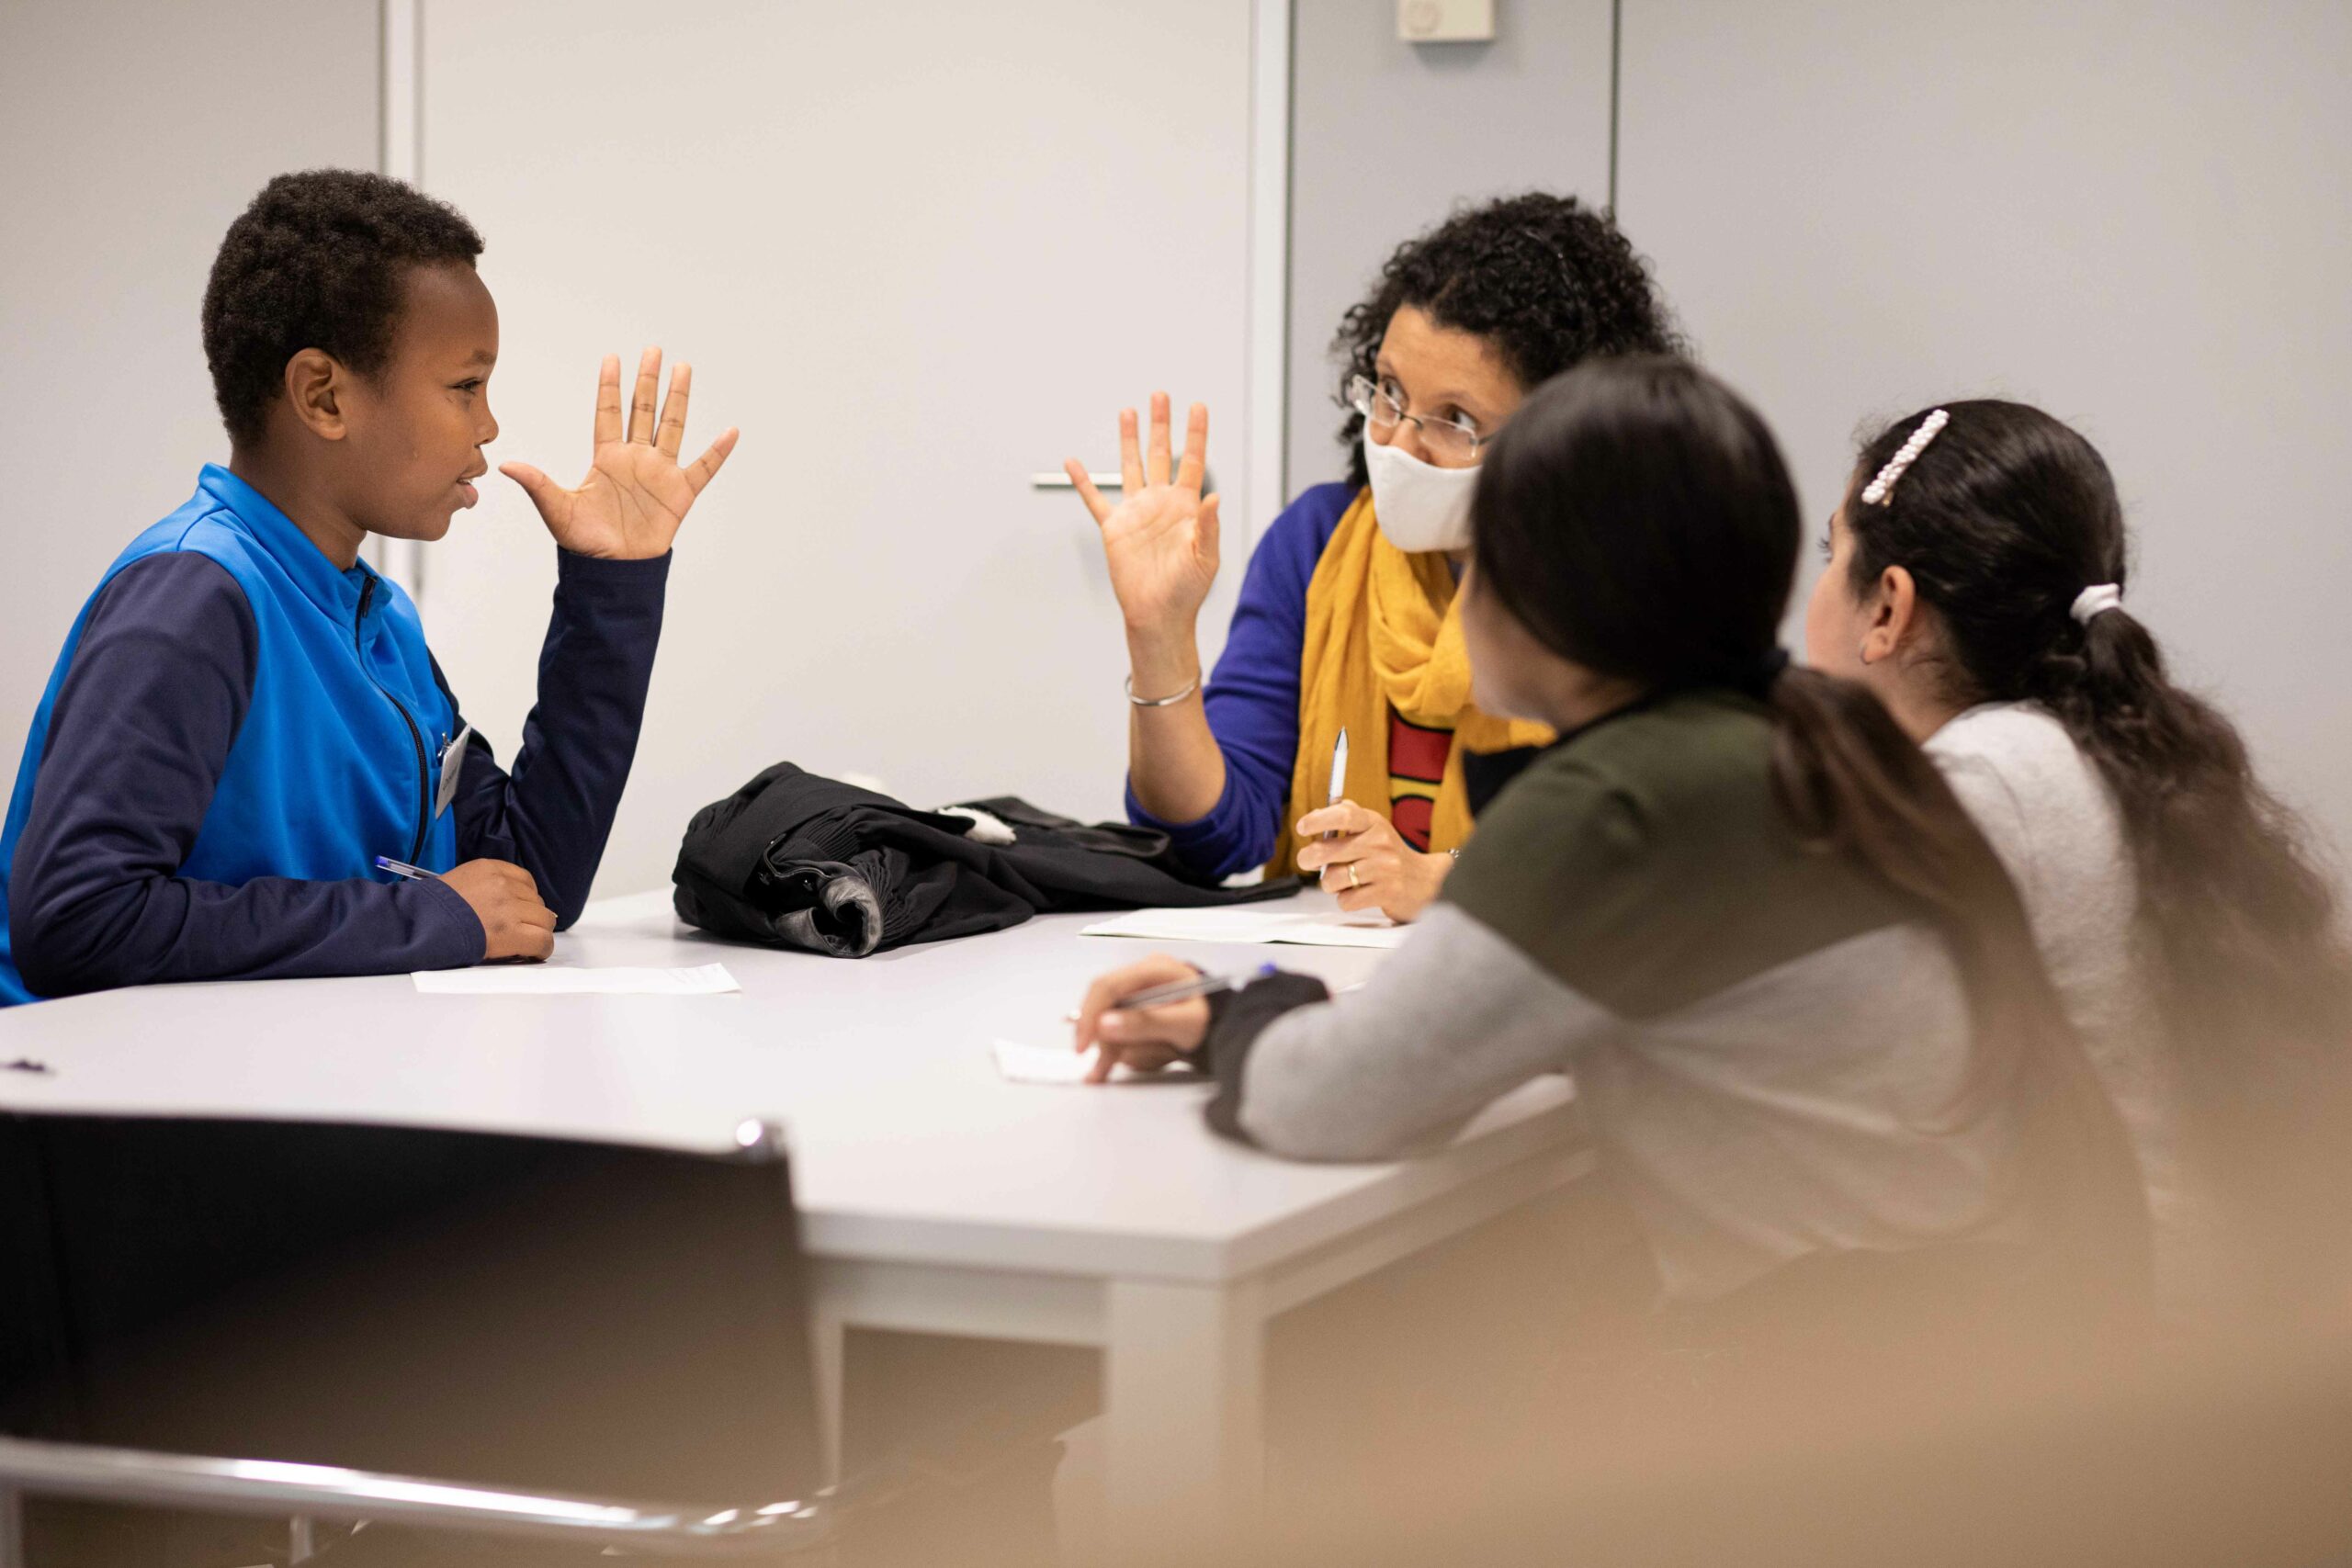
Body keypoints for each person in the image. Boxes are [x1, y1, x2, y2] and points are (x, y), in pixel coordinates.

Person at [1071, 358, 2150, 1348]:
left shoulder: (1622, 801)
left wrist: (1234, 1014)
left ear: (1547, 592)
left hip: (1851, 1388)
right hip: (2007, 1335)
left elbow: (1341, 1100)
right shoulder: (1813, 737)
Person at [0, 169, 736, 1005]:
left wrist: (613, 589)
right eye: (465, 386)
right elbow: (76, 922)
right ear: (324, 396)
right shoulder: (192, 599)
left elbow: (527, 887)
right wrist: (422, 916)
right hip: (95, 1108)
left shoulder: (380, 626)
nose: (489, 425)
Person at [1802, 400, 2352, 1325]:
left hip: (2117, 1356)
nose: (1811, 595)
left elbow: (1799, 1035)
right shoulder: (2083, 751)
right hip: (2215, 1311)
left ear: (1887, 607)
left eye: (1829, 558)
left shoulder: (1985, 782)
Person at [1065, 193, 1677, 920]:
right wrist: (1158, 636)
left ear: (1563, 435)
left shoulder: (1629, 581)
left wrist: (1449, 880)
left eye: (1455, 419)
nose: (1395, 442)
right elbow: (1210, 837)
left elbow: (1663, 847)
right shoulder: (1320, 542)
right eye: (1388, 392)